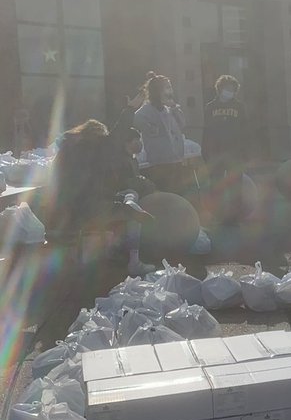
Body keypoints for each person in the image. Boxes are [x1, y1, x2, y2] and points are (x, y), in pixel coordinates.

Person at [45, 119, 155, 276]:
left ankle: (119, 245)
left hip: (61, 211)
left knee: (128, 199)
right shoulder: (89, 157)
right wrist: (126, 208)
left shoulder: (67, 151)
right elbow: (90, 198)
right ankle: (133, 261)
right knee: (131, 211)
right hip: (79, 212)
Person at [132, 73, 188, 192]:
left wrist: (174, 108)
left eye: (170, 87)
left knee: (178, 194)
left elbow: (182, 124)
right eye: (166, 87)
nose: (169, 91)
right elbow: (136, 121)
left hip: (176, 160)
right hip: (159, 163)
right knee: (165, 193)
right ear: (157, 91)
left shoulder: (170, 109)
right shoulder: (145, 111)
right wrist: (150, 127)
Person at [202, 75, 247, 181]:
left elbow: (245, 130)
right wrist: (205, 152)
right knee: (216, 185)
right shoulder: (210, 107)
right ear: (220, 89)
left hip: (234, 152)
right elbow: (207, 131)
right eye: (227, 89)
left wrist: (245, 152)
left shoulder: (239, 107)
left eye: (232, 90)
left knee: (235, 185)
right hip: (215, 153)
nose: (229, 92)